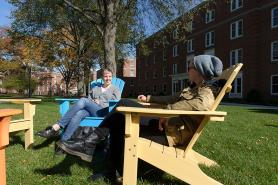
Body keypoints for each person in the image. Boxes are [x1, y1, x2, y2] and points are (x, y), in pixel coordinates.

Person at [56, 55, 224, 183]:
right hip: (164, 126)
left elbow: (201, 106)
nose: (188, 69)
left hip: (169, 135)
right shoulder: (192, 89)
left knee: (122, 108)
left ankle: (92, 145)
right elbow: (169, 99)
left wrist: (167, 113)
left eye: (190, 66)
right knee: (120, 115)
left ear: (200, 71)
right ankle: (108, 163)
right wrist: (149, 98)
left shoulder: (207, 92)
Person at [36, 68, 121, 142]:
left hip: (103, 112)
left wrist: (101, 102)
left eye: (110, 76)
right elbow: (90, 99)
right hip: (91, 110)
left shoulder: (115, 89)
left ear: (112, 77)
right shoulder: (96, 88)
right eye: (106, 76)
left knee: (83, 100)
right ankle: (63, 142)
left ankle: (57, 127)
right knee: (78, 114)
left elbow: (116, 103)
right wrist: (93, 101)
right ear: (102, 77)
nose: (108, 78)